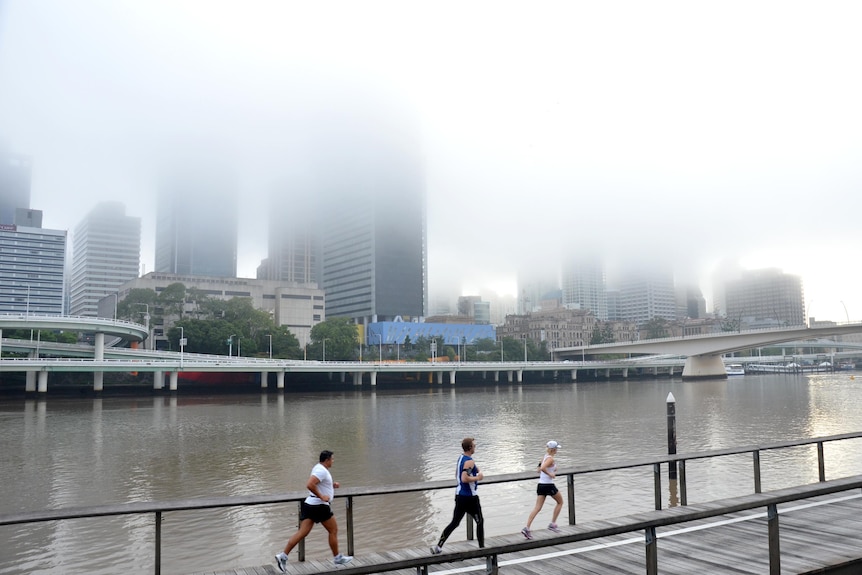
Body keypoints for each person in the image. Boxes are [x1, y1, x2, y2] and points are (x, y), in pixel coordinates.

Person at [274, 450, 353, 572]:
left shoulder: (318, 468)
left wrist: (331, 486)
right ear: (327, 460)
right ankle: (337, 558)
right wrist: (322, 496)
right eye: (332, 459)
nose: (333, 461)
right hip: (319, 506)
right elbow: (310, 484)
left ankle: (283, 556)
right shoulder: (321, 470)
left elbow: (318, 484)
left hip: (310, 504)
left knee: (302, 533)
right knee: (333, 530)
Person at [430, 437, 485, 554]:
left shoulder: (461, 458)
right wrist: (478, 478)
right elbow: (464, 478)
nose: (475, 447)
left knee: (455, 522)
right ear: (470, 447)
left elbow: (457, 474)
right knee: (480, 521)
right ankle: (482, 550)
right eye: (474, 446)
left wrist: (476, 469)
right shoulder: (469, 461)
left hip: (459, 495)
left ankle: (439, 546)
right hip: (470, 498)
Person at [521, 440, 564, 539]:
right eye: (556, 448)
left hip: (541, 485)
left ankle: (527, 528)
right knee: (560, 502)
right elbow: (542, 468)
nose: (557, 450)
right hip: (548, 485)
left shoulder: (544, 457)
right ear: (553, 449)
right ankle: (552, 524)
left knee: (537, 508)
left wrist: (549, 470)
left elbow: (538, 469)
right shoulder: (550, 459)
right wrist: (551, 474)